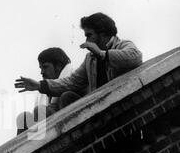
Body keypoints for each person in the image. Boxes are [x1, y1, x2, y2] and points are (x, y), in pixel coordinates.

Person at [15, 12, 143, 107]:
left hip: (126, 106)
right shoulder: (90, 59)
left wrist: (102, 54)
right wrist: (40, 85)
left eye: (89, 35)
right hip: (102, 108)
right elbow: (72, 81)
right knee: (68, 97)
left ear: (103, 34)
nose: (87, 41)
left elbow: (135, 56)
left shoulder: (122, 45)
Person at [16, 47, 74, 135]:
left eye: (45, 67)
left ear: (58, 66)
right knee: (23, 118)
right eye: (41, 68)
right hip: (49, 123)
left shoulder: (72, 75)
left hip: (67, 123)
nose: (42, 72)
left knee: (40, 110)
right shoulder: (42, 90)